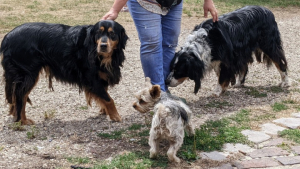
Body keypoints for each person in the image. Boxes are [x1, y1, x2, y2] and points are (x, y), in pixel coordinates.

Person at [102, 0, 218, 92]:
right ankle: (158, 92)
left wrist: (208, 1)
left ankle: (163, 90)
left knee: (170, 42)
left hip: (173, 2)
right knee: (151, 44)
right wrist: (115, 9)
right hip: (145, 2)